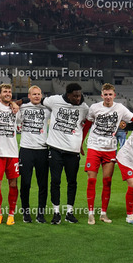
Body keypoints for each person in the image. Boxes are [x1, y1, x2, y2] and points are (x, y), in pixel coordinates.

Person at [84, 83, 133, 224]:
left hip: (110, 149)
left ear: (114, 95)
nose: (108, 97)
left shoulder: (120, 108)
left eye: (110, 94)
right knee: (92, 180)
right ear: (102, 95)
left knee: (107, 181)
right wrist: (81, 143)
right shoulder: (94, 108)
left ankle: (103, 214)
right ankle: (90, 213)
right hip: (94, 147)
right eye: (105, 94)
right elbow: (87, 125)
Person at [45, 83, 90, 224]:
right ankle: (56, 213)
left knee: (72, 182)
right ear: (68, 94)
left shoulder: (84, 108)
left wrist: (81, 142)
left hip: (73, 151)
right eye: (75, 96)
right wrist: (19, 102)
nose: (78, 98)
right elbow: (39, 100)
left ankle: (69, 212)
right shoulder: (54, 100)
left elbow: (89, 122)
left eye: (79, 95)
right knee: (55, 181)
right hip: (55, 149)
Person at [0, 84, 21, 225]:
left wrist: (14, 104)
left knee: (13, 183)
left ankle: (11, 214)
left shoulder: (15, 110)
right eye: (5, 91)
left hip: (12, 152)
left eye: (9, 91)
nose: (8, 93)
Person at [18, 85, 51, 223]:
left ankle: (40, 214)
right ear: (29, 96)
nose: (37, 96)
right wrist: (18, 102)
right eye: (34, 94)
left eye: (39, 94)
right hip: (26, 149)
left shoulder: (47, 109)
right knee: (25, 183)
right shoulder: (22, 108)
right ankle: (26, 212)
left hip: (42, 150)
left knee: (43, 184)